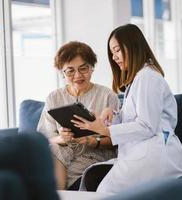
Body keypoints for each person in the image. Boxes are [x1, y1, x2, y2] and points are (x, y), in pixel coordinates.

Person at [71, 24, 182, 193]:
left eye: (117, 50)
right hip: (144, 151)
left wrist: (105, 130)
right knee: (95, 182)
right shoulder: (139, 78)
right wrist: (112, 116)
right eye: (112, 52)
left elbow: (147, 126)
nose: (114, 57)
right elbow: (137, 118)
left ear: (133, 46)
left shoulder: (147, 77)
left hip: (155, 153)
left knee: (106, 191)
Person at [37, 41, 120, 190]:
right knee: (53, 149)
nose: (77, 76)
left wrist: (92, 141)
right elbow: (44, 137)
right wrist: (61, 138)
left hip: (95, 152)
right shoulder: (53, 97)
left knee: (59, 172)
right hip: (63, 150)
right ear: (62, 72)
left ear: (92, 68)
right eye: (70, 71)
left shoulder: (107, 96)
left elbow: (118, 138)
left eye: (83, 69)